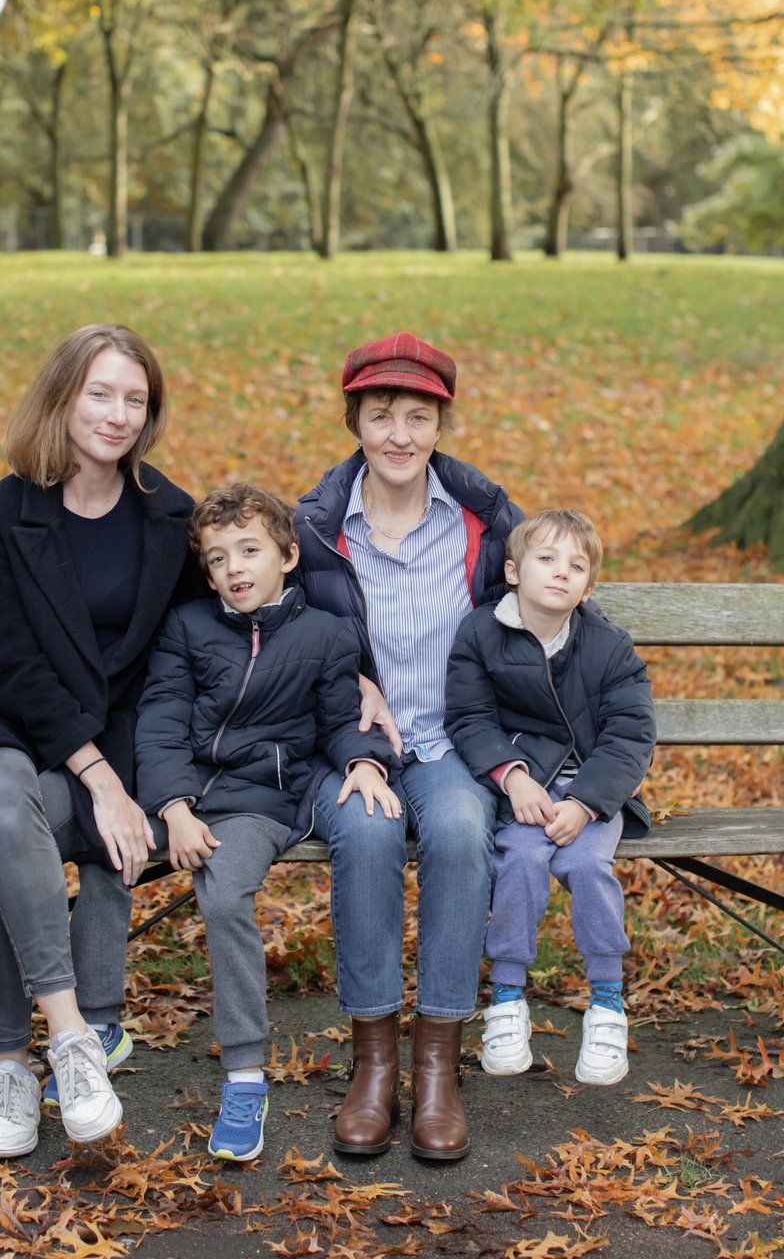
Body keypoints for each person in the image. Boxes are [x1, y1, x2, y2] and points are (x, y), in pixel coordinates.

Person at [0, 323, 202, 1158]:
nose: (118, 415)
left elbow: (216, 625)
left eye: (136, 399)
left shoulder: (170, 517)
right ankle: (73, 1036)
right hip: (19, 728)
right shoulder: (2, 512)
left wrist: (361, 669)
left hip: (116, 747)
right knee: (0, 787)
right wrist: (100, 782)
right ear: (62, 395)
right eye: (100, 393)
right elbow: (16, 664)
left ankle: (10, 1061)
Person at [295, 332, 523, 1160]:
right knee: (365, 830)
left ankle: (437, 1067)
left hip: (454, 743)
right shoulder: (315, 530)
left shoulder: (486, 524)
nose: (398, 433)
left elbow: (536, 623)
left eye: (417, 416)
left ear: (440, 423)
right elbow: (272, 635)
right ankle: (373, 1067)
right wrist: (347, 678)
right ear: (354, 418)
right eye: (381, 413)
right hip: (347, 745)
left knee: (463, 830)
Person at [133, 484, 398, 1162]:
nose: (234, 569)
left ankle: (245, 1075)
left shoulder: (324, 635)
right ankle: (94, 1030)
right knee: (108, 856)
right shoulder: (188, 626)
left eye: (249, 550)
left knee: (223, 892)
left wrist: (365, 763)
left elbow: (341, 719)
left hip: (259, 800)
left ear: (287, 554)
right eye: (218, 558)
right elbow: (161, 719)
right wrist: (173, 806)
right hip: (185, 796)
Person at [444, 509, 656, 1086]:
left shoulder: (608, 645)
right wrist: (512, 777)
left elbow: (630, 734)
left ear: (588, 587)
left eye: (576, 565)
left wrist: (586, 802)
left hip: (590, 789)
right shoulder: (481, 633)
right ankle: (508, 998)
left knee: (588, 863)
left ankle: (608, 1001)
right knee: (522, 860)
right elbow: (468, 716)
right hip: (525, 789)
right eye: (546, 559)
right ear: (513, 570)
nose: (560, 573)